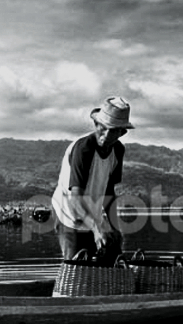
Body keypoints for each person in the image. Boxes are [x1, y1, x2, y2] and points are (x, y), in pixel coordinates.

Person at [51, 96, 133, 261]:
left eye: (113, 130)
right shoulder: (84, 149)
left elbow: (109, 192)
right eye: (103, 128)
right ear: (96, 124)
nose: (106, 134)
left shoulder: (117, 150)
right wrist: (96, 229)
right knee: (76, 264)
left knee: (111, 257)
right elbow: (75, 198)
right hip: (68, 212)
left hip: (92, 212)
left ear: (121, 132)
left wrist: (114, 228)